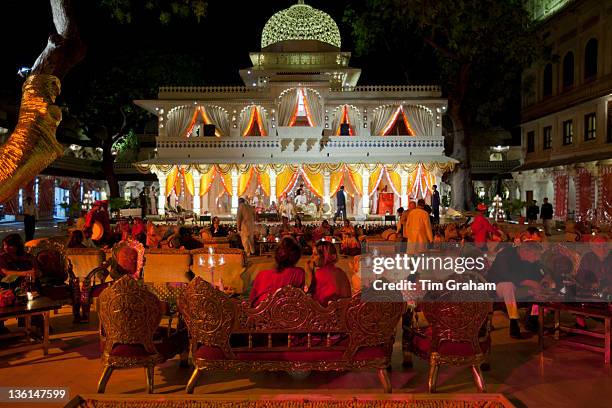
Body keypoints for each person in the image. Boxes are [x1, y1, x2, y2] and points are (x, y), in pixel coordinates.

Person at [487, 241, 544, 338]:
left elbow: (537, 274)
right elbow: (505, 274)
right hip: (498, 285)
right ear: (525, 251)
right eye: (535, 254)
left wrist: (542, 281)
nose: (536, 258)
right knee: (509, 286)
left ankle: (532, 319)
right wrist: (528, 282)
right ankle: (514, 320)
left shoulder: (530, 260)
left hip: (519, 287)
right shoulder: (505, 254)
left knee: (537, 293)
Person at [249, 237, 305, 306]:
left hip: (262, 315)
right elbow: (300, 300)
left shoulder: (262, 275)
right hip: (287, 314)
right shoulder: (299, 273)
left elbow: (252, 301)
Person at [306, 240, 351, 306]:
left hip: (326, 313)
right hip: (343, 312)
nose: (312, 257)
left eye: (315, 254)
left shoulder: (320, 273)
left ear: (325, 256)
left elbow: (315, 302)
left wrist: (309, 274)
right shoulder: (340, 271)